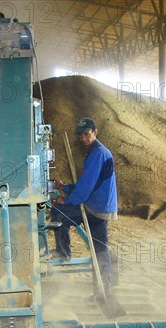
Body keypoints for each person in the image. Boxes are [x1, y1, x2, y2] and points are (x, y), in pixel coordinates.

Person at [51, 117, 121, 305]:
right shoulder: (97, 152)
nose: (83, 137)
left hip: (95, 207)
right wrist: (65, 187)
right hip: (101, 205)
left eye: (86, 133)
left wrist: (66, 199)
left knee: (59, 211)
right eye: (80, 134)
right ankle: (103, 291)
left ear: (95, 132)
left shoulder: (97, 153)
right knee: (100, 249)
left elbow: (86, 187)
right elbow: (88, 184)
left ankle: (63, 252)